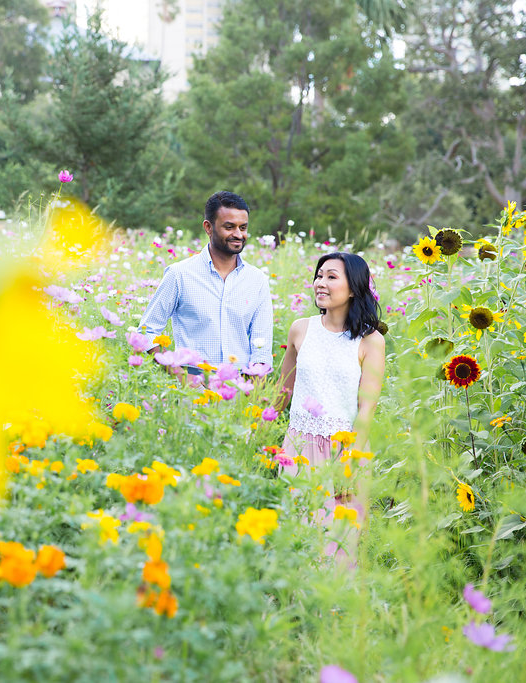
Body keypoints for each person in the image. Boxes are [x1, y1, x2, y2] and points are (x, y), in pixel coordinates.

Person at [275, 252, 385, 565]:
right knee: (296, 537)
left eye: (331, 277)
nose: (321, 283)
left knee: (337, 544)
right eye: (319, 275)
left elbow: (366, 408)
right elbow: (284, 388)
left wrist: (348, 465)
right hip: (297, 446)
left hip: (344, 450)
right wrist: (262, 428)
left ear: (353, 288)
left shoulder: (369, 340)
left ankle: (334, 614)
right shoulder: (301, 329)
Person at [139, 191, 273, 374]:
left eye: (243, 227)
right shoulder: (180, 275)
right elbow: (147, 332)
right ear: (208, 227)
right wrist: (183, 378)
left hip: (239, 389)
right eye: (229, 227)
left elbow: (262, 348)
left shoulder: (257, 280)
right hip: (192, 388)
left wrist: (254, 395)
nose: (238, 234)